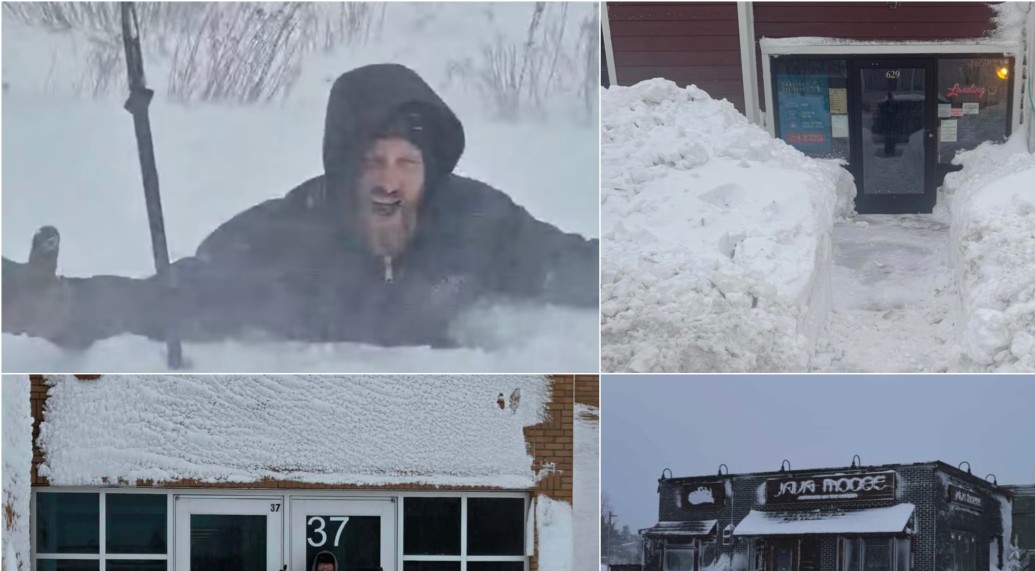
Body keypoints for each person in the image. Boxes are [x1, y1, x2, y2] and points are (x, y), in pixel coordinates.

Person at [1, 63, 598, 349]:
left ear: (431, 169)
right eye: (373, 163)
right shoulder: (286, 234)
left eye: (406, 164)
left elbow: (568, 264)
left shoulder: (477, 222)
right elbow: (171, 295)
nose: (389, 183)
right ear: (344, 168)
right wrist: (66, 304)